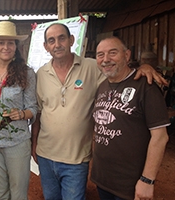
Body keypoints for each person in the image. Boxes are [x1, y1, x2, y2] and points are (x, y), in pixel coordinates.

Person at [31, 23, 168, 200]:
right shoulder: (41, 74)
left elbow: (120, 74)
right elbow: (39, 114)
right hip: (46, 155)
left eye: (62, 38)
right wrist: (34, 143)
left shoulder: (92, 67)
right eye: (51, 40)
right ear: (46, 47)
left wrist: (144, 68)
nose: (57, 44)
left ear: (71, 40)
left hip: (77, 158)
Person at [91, 36, 169, 200]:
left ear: (127, 55)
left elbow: (160, 137)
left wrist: (147, 180)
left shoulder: (146, 87)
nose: (106, 59)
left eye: (113, 53)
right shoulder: (102, 86)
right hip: (103, 179)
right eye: (100, 55)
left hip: (130, 184)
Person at [0, 21, 38, 200]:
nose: (6, 47)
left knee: (18, 193)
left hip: (17, 143)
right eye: (1, 42)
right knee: (0, 192)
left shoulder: (26, 74)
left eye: (10, 43)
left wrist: (21, 114)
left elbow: (33, 108)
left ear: (16, 46)